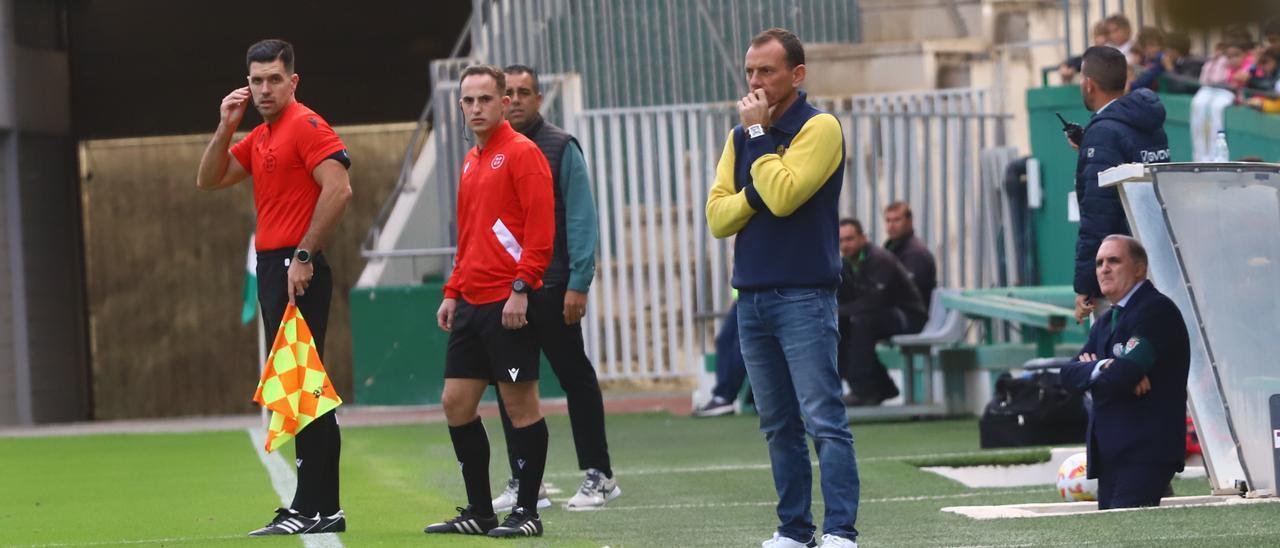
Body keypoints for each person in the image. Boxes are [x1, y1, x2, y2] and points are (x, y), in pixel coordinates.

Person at [706, 27, 860, 548]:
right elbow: (717, 218)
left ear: (797, 75)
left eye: (766, 71)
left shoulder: (820, 128)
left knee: (824, 419)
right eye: (750, 70)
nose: (754, 81)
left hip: (804, 296)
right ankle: (795, 531)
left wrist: (757, 140)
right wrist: (754, 190)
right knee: (777, 425)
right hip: (751, 299)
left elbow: (788, 195)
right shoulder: (738, 137)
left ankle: (840, 530)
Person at [196, 39, 351, 537]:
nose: (264, 88)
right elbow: (209, 179)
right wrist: (226, 124)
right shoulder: (261, 134)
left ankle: (310, 507)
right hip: (273, 265)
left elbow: (340, 188)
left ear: (293, 81)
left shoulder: (305, 125)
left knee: (300, 389)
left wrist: (304, 256)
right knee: (305, 388)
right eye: (256, 80)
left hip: (294, 265)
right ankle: (324, 506)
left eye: (274, 79)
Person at [423, 64, 554, 538]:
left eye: (484, 99)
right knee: (456, 403)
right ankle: (480, 512)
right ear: (460, 106)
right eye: (468, 101)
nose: (476, 108)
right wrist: (452, 291)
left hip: (509, 303)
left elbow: (541, 231)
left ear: (503, 102)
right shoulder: (471, 159)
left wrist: (521, 288)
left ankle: (528, 512)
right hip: (472, 303)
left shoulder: (523, 153)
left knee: (521, 409)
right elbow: (469, 234)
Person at [488, 64, 621, 512]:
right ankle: (527, 482)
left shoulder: (561, 146)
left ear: (539, 98)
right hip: (507, 292)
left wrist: (578, 283)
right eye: (509, 92)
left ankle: (600, 475)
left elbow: (582, 218)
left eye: (526, 92)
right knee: (513, 384)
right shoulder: (490, 150)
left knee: (574, 378)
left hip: (554, 286)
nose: (517, 99)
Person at [1059, 235, 1190, 509]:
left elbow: (1120, 379)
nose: (1103, 268)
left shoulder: (1156, 311)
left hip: (1144, 450)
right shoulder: (1105, 321)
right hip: (1111, 453)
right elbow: (1067, 375)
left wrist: (1098, 373)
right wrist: (1103, 366)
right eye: (1099, 263)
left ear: (1139, 268)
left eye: (1114, 261)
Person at [1068, 46, 1170, 323]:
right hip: (1157, 262)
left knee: (1114, 363)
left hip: (1122, 279)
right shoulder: (1150, 124)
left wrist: (1087, 284)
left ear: (1089, 84)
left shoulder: (1103, 133)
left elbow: (1099, 216)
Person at [836, 219, 927, 407]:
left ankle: (864, 390)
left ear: (863, 238)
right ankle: (882, 387)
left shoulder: (879, 259)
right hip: (880, 316)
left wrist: (841, 310)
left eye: (850, 239)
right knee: (841, 324)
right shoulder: (845, 265)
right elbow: (845, 299)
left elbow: (876, 301)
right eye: (841, 240)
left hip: (908, 316)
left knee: (862, 323)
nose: (845, 245)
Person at [692, 300, 751, 417]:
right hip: (744, 295)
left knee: (741, 345)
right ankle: (722, 398)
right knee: (724, 340)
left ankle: (728, 396)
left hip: (769, 292)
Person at [882, 201, 936, 303]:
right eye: (888, 220)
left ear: (909, 221)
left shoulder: (916, 253)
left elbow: (906, 292)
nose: (891, 225)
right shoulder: (891, 248)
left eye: (897, 220)